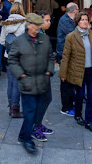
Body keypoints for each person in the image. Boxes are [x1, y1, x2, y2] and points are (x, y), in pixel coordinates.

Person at [8, 13, 54, 155]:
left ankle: (24, 134)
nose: (37, 30)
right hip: (27, 82)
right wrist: (21, 75)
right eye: (35, 27)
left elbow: (50, 57)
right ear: (28, 25)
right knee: (30, 111)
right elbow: (12, 60)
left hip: (42, 81)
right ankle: (27, 139)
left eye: (39, 27)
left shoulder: (45, 39)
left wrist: (49, 72)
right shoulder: (19, 41)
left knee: (37, 110)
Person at [59, 11, 92, 133]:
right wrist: (63, 73)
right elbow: (66, 55)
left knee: (91, 96)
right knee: (80, 94)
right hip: (78, 71)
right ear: (77, 22)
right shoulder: (71, 36)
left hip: (91, 70)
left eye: (86, 19)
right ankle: (78, 114)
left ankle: (89, 121)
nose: (84, 21)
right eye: (82, 19)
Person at [0, 1, 26, 118]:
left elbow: (1, 41)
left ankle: (11, 107)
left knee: (10, 82)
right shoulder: (24, 23)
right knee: (17, 82)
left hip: (9, 55)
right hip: (20, 56)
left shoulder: (5, 23)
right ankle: (16, 109)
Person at [32, 11, 54, 140]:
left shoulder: (43, 34)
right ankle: (34, 127)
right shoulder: (36, 35)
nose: (49, 22)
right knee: (41, 100)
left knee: (46, 99)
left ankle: (38, 124)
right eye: (47, 20)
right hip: (38, 74)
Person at [56, 2, 79, 116]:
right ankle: (66, 107)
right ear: (74, 11)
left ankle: (70, 103)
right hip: (65, 53)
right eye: (78, 10)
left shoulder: (69, 20)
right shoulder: (65, 21)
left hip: (69, 53)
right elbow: (74, 35)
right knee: (66, 81)